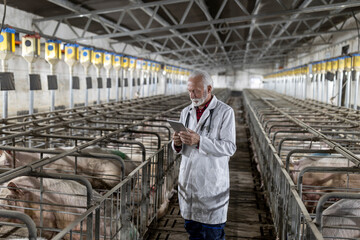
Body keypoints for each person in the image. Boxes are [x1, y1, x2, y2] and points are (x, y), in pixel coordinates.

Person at [172, 70, 236, 240]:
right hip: (189, 183)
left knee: (212, 234)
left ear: (209, 88)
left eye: (196, 91)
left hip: (211, 184)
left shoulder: (225, 112)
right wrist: (177, 143)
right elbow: (181, 148)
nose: (192, 95)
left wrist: (200, 140)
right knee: (192, 231)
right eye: (189, 91)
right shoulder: (186, 112)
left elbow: (229, 147)